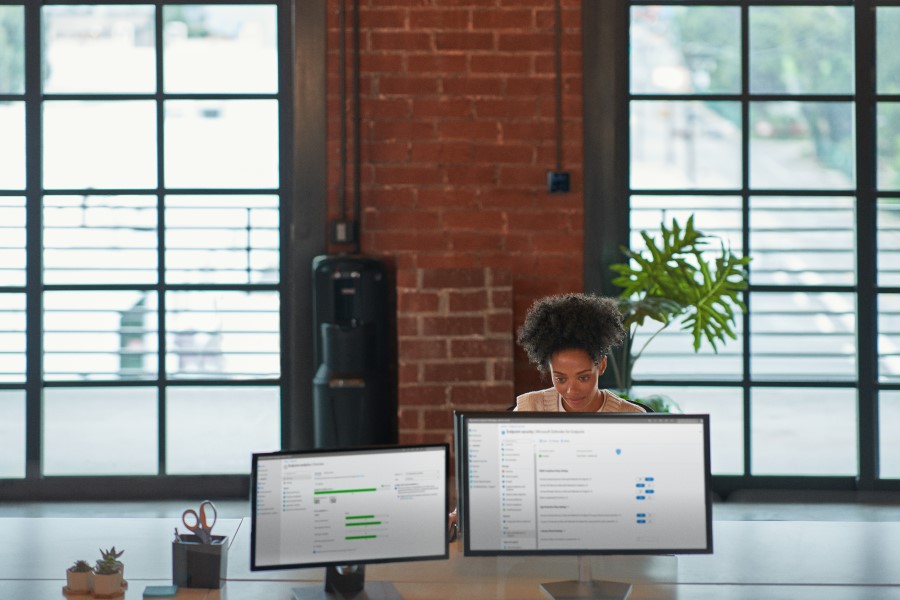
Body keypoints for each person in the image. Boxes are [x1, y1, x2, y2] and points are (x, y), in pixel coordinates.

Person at [514, 292, 647, 413]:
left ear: (602, 365)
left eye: (583, 378)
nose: (572, 391)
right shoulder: (529, 408)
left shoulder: (631, 416)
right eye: (560, 379)